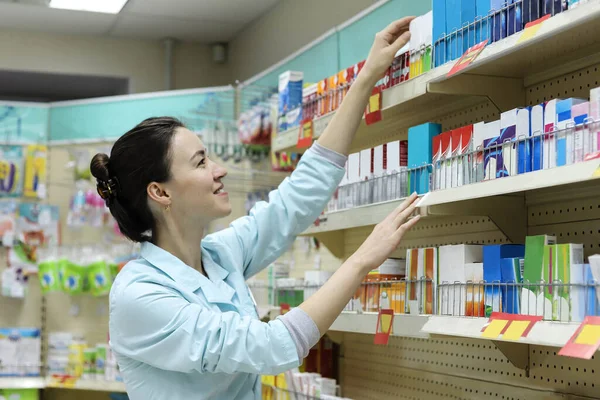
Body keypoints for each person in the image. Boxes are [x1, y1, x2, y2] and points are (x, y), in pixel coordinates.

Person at [91, 17, 420, 400]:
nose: (220, 170)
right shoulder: (140, 295)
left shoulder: (217, 256)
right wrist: (362, 260)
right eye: (200, 163)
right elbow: (272, 346)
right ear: (160, 192)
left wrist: (365, 79)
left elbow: (295, 201)